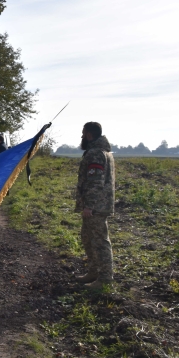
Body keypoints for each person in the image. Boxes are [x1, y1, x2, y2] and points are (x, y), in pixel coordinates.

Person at [75, 121, 116, 289]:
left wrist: (89, 206)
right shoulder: (103, 152)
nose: (82, 137)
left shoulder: (95, 154)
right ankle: (93, 271)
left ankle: (105, 278)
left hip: (96, 207)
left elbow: (95, 182)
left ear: (89, 135)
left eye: (83, 133)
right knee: (88, 238)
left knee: (99, 241)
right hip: (97, 205)